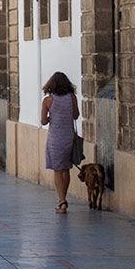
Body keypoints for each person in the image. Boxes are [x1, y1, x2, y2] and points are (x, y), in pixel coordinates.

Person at [40, 71, 80, 214]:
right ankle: (64, 198)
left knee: (57, 170)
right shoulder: (72, 97)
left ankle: (62, 201)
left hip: (55, 139)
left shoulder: (48, 100)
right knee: (66, 169)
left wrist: (52, 116)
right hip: (68, 137)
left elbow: (43, 121)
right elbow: (75, 115)